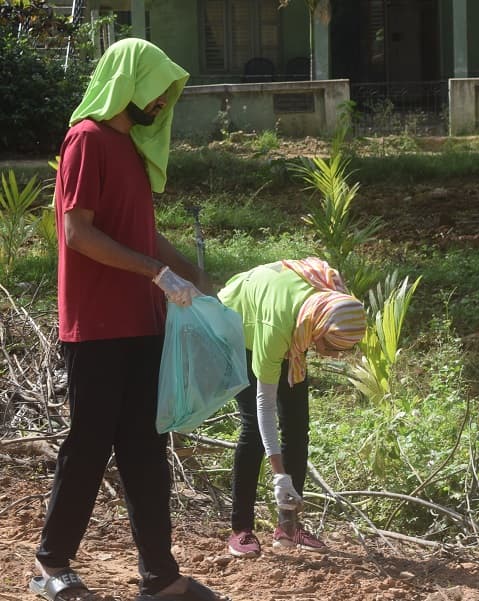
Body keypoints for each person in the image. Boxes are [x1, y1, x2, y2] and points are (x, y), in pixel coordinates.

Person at [32, 38, 227, 601]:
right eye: (158, 91)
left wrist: (193, 274)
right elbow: (78, 233)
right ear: (130, 83)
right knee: (90, 443)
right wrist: (154, 272)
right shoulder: (87, 140)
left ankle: (160, 577)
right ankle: (50, 565)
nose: (163, 103)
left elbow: (141, 232)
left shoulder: (130, 149)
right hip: (96, 325)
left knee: (146, 447)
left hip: (143, 322)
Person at [219, 257, 366, 558]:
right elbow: (265, 407)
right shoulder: (276, 330)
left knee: (297, 428)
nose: (331, 356)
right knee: (254, 430)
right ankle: (241, 529)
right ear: (319, 327)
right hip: (241, 325)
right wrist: (279, 477)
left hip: (289, 319)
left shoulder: (334, 303)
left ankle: (288, 526)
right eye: (330, 347)